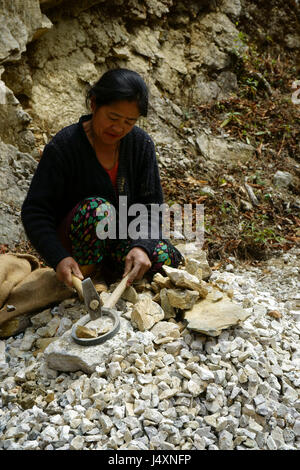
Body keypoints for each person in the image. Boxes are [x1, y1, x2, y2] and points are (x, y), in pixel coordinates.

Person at [21, 68, 182, 290]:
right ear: (94, 104)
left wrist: (142, 247)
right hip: (77, 248)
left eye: (129, 121)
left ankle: (114, 272)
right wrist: (58, 257)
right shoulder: (64, 147)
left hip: (118, 242)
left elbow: (151, 207)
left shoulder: (140, 145)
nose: (119, 128)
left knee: (166, 256)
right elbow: (35, 211)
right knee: (99, 210)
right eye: (113, 117)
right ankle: (88, 277)